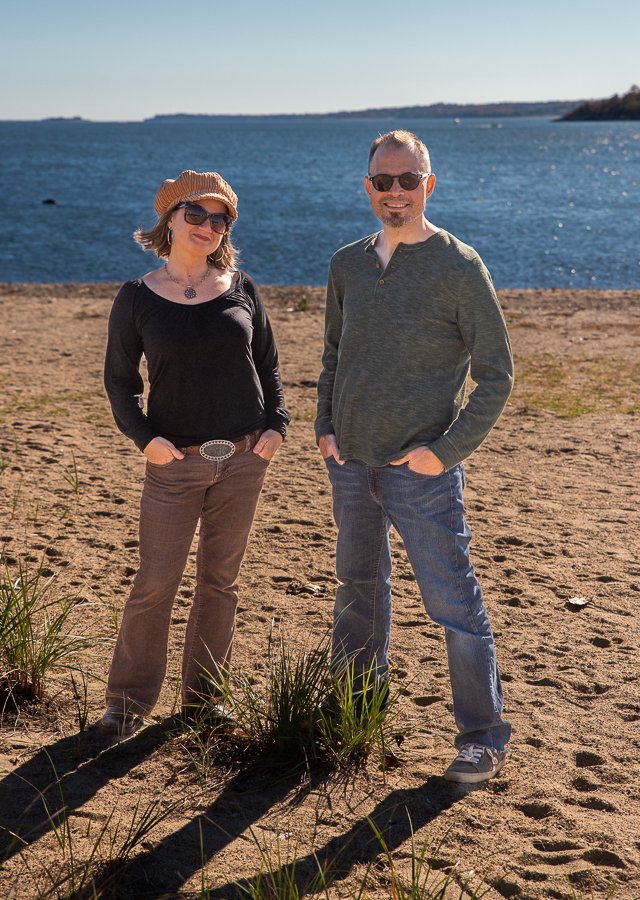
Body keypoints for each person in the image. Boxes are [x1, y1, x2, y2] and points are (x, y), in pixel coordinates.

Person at [315, 131, 513, 784]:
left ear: (430, 183)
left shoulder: (460, 268)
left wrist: (444, 452)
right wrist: (326, 428)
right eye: (383, 181)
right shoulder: (347, 264)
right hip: (350, 466)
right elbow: (335, 355)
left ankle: (482, 739)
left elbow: (497, 376)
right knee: (357, 598)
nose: (394, 192)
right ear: (366, 187)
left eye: (408, 179)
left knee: (453, 605)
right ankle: (355, 720)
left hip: (420, 475)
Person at [102, 170, 289, 735]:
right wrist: (146, 440)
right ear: (169, 219)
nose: (208, 226)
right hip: (175, 463)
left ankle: (206, 701)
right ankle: (128, 702)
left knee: (220, 583)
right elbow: (118, 381)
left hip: (243, 458)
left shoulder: (241, 287)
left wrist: (276, 425)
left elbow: (269, 365)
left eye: (220, 218)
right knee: (155, 582)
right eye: (196, 214)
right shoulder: (137, 297)